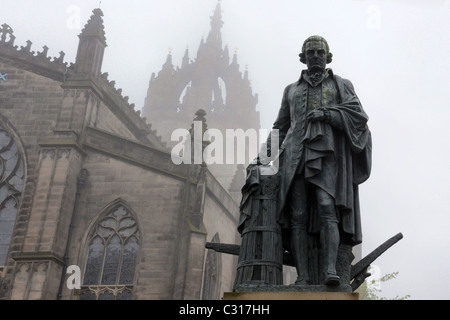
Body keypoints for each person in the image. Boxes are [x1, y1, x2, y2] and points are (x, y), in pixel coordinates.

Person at [258, 35, 372, 286]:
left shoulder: (341, 85)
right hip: (294, 157)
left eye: (320, 52)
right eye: (311, 52)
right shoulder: (291, 90)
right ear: (303, 57)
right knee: (297, 215)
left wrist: (329, 114)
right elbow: (281, 127)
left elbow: (358, 116)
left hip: (327, 155)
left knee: (326, 208)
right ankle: (303, 276)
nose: (316, 56)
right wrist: (262, 160)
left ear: (328, 56)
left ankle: (330, 270)